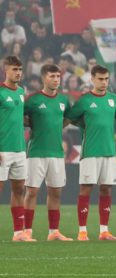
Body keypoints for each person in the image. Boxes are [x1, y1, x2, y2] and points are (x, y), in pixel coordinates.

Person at [66, 65, 116, 241]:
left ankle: (104, 231)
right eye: (100, 79)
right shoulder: (84, 100)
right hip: (90, 151)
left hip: (109, 151)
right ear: (92, 79)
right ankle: (82, 231)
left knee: (106, 190)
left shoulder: (113, 99)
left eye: (106, 79)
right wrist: (84, 125)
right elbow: (70, 117)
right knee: (86, 189)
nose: (104, 82)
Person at [22, 63, 71, 241]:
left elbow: (68, 118)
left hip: (57, 153)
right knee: (32, 191)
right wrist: (30, 123)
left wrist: (57, 127)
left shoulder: (63, 100)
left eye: (58, 76)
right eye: (52, 76)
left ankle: (54, 232)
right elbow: (19, 115)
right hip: (36, 152)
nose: (56, 80)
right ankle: (27, 230)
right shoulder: (33, 99)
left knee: (55, 192)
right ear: (44, 78)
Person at [0, 56, 28, 241]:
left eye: (19, 69)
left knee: (19, 190)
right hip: (3, 150)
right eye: (14, 69)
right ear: (5, 71)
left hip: (19, 149)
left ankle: (18, 233)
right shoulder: (1, 92)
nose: (18, 73)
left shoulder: (21, 92)